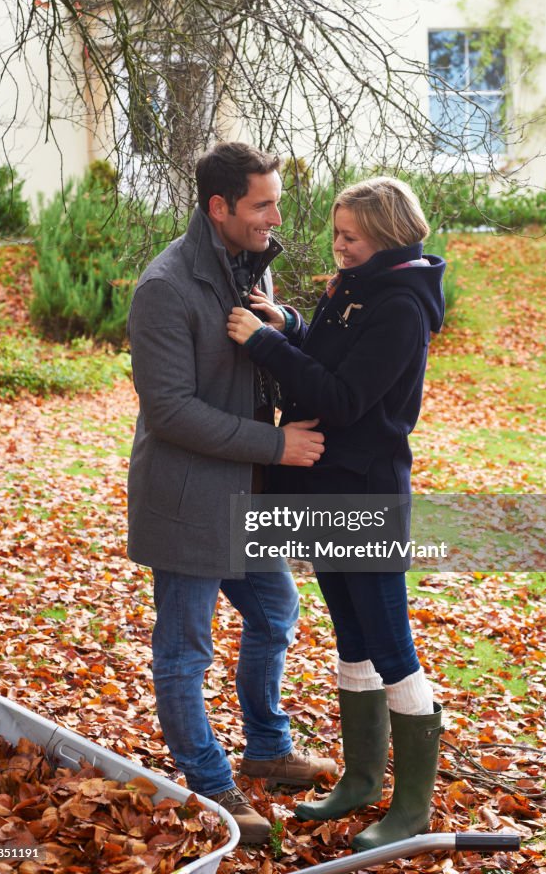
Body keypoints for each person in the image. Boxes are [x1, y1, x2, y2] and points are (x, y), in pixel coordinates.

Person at [226, 176, 446, 851]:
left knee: (389, 644)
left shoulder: (400, 305)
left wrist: (263, 346)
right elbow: (325, 356)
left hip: (367, 492)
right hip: (327, 486)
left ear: (382, 235)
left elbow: (345, 397)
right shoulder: (356, 290)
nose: (338, 246)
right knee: (350, 635)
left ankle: (410, 806)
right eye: (337, 235)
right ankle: (358, 778)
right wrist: (288, 324)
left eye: (349, 237)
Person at [126, 142, 337, 844]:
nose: (276, 216)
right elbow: (170, 411)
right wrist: (277, 445)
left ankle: (267, 748)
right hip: (186, 498)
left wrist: (288, 333)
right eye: (262, 204)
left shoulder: (246, 270)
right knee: (185, 652)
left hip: (246, 497)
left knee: (276, 609)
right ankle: (212, 785)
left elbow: (254, 368)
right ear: (218, 207)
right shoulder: (165, 287)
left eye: (274, 200)